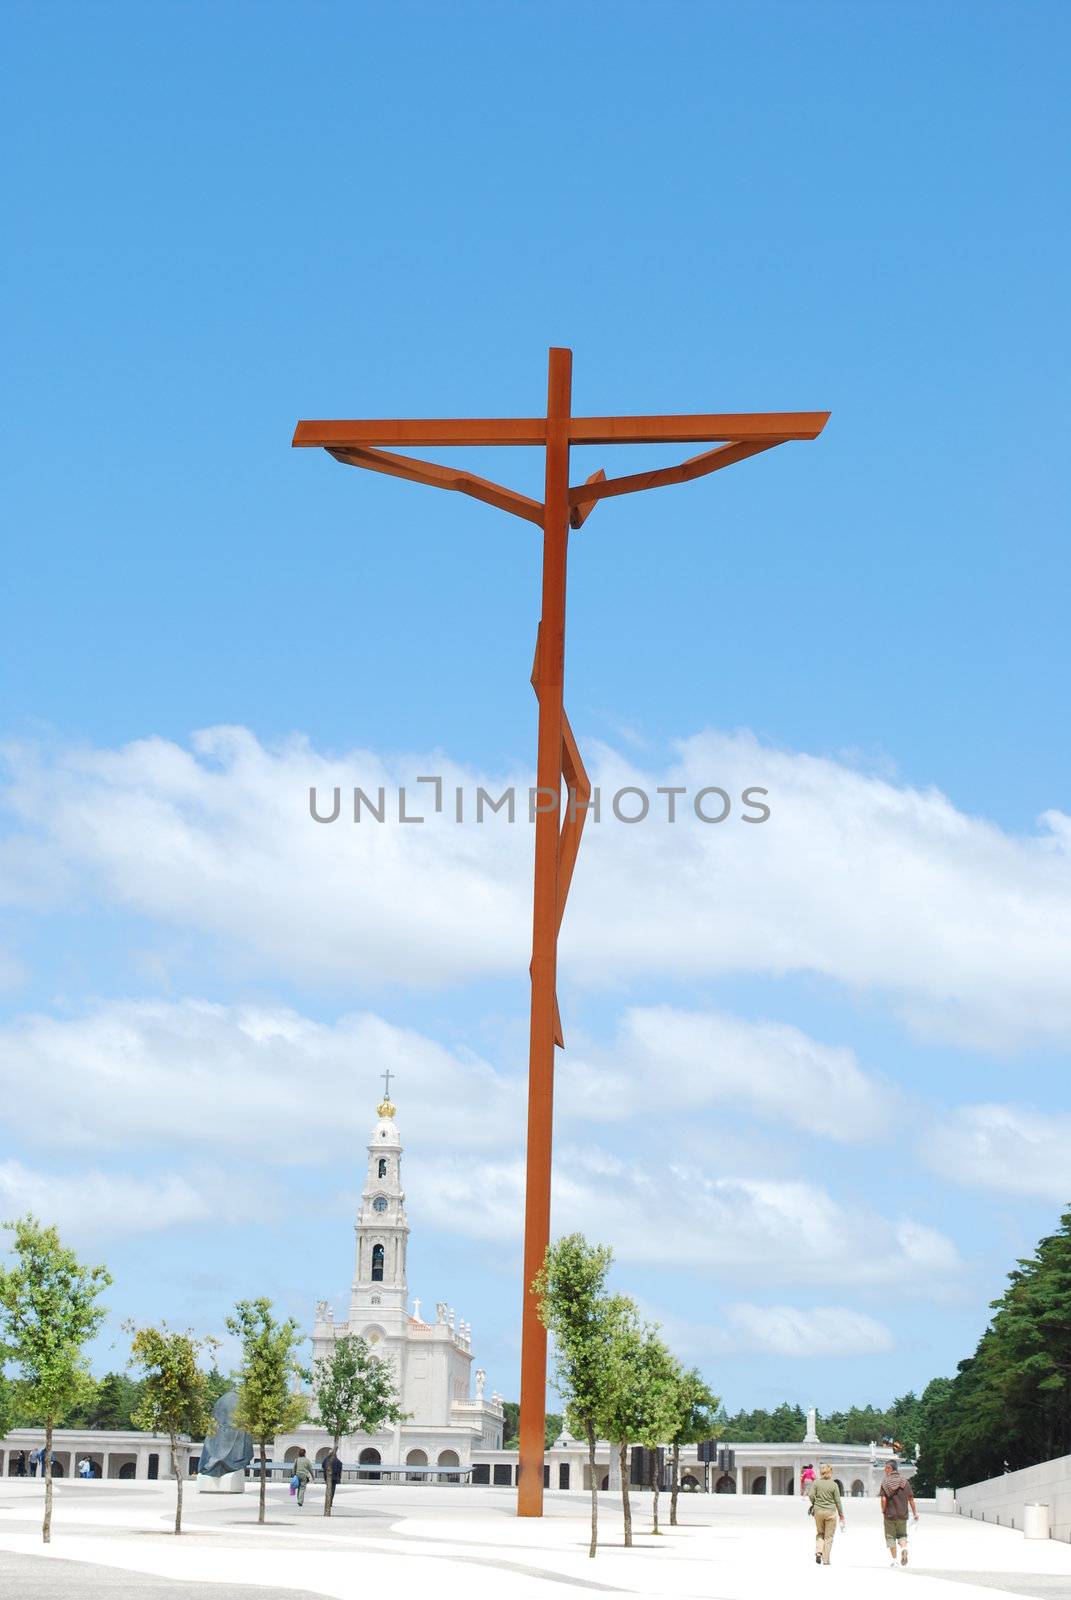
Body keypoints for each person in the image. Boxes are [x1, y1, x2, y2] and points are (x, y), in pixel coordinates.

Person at [880, 1459, 919, 1567]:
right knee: (902, 1535)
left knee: (890, 1536)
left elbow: (883, 1499)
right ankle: (904, 1548)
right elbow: (911, 1498)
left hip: (889, 1515)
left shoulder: (885, 1482)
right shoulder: (904, 1482)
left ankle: (894, 1560)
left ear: (890, 1469)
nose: (884, 1469)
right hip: (902, 1514)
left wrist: (883, 1510)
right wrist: (915, 1512)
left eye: (886, 1467)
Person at [807, 1464, 845, 1566]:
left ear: (821, 1472)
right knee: (828, 1537)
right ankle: (826, 1560)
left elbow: (810, 1495)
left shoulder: (816, 1483)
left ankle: (818, 1551)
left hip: (818, 1511)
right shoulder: (834, 1485)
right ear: (830, 1472)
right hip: (831, 1512)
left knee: (820, 1533)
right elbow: (837, 1501)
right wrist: (841, 1514)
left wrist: (814, 1503)